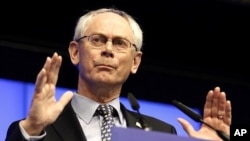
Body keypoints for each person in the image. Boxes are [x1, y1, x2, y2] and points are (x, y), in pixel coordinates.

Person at [5, 8, 231, 141]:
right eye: (97, 40)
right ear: (75, 52)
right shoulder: (37, 129)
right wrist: (33, 129)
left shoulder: (161, 133)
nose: (108, 50)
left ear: (135, 62)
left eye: (120, 43)